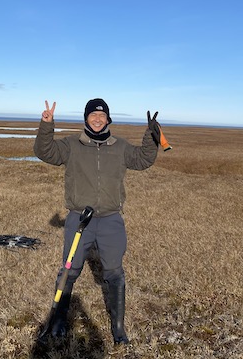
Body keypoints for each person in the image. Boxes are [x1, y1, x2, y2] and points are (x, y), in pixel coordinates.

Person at [34, 98, 162, 345]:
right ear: (86, 119)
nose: (97, 119)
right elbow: (44, 152)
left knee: (114, 272)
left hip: (111, 220)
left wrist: (151, 136)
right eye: (93, 115)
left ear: (108, 119)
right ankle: (59, 321)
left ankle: (118, 328)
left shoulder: (120, 146)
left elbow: (142, 160)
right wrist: (46, 124)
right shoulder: (72, 145)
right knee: (69, 271)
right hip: (79, 219)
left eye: (102, 115)